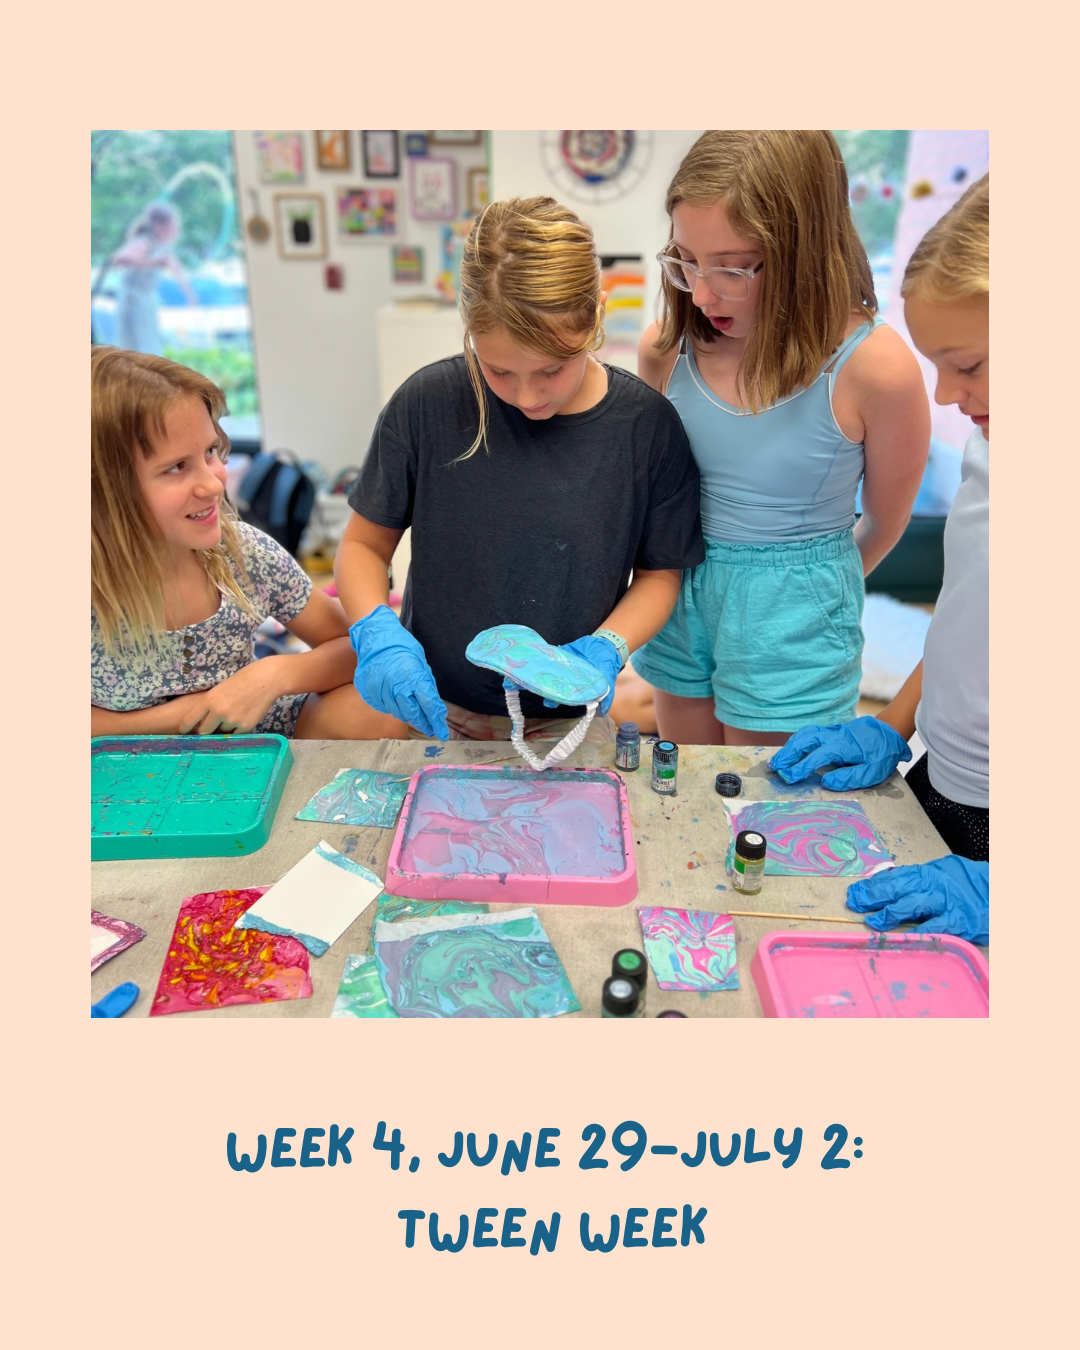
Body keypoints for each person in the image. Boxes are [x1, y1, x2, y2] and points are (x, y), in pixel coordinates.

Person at [334, 197, 705, 743]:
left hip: (570, 718)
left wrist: (608, 646)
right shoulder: (427, 405)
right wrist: (376, 630)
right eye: (499, 370)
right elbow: (364, 546)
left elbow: (659, 575)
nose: (528, 397)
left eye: (552, 370)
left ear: (597, 315)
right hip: (435, 707)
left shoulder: (645, 428)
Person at [633, 131, 930, 747]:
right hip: (681, 593)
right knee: (685, 784)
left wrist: (805, 593)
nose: (703, 294)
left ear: (805, 251)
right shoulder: (666, 348)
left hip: (793, 613)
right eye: (686, 260)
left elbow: (884, 523)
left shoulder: (876, 369)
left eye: (733, 268)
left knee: (766, 797)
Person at [770, 174, 990, 943]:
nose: (946, 393)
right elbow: (971, 624)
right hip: (944, 784)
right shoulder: (993, 445)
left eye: (968, 364)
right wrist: (895, 723)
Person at [91, 346, 404, 740]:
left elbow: (360, 644)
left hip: (248, 741)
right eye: (176, 467)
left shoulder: (244, 554)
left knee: (377, 708)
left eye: (210, 452)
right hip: (121, 762)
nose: (212, 484)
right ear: (101, 490)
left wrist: (275, 674)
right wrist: (180, 717)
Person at [109, 202, 196, 356]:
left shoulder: (164, 248)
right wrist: (154, 262)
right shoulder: (145, 241)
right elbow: (119, 258)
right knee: (135, 345)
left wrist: (190, 296)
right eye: (172, 226)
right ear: (158, 226)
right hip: (133, 299)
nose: (175, 231)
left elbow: (177, 272)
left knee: (148, 343)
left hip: (147, 299)